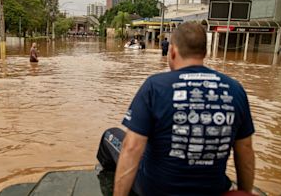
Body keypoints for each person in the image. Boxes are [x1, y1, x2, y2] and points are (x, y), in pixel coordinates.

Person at [96, 22, 255, 195]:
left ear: (172, 51)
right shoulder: (235, 89)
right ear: (205, 53)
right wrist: (244, 192)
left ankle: (105, 178)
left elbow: (132, 147)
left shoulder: (155, 86)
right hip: (213, 190)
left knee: (110, 135)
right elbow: (245, 151)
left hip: (154, 190)